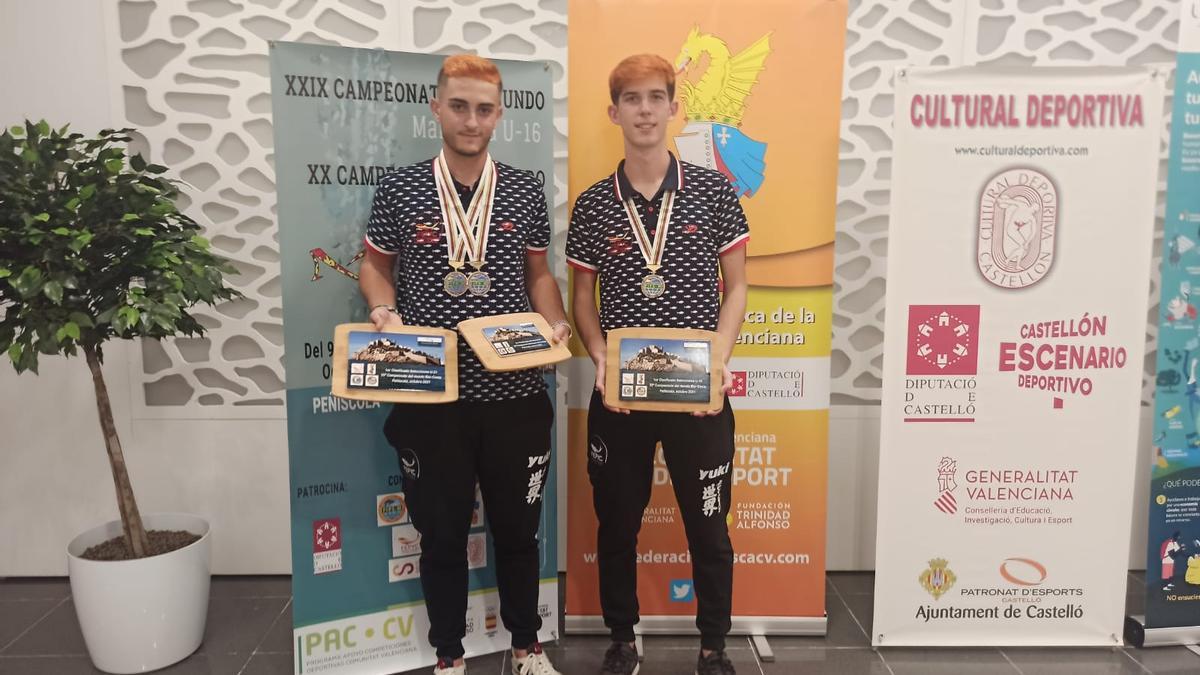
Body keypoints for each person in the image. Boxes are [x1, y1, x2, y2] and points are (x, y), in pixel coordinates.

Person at [359, 53, 568, 675]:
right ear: (436, 107)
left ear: (499, 114)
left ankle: (527, 648)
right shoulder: (400, 187)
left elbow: (539, 276)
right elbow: (375, 265)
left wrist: (554, 324)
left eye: (483, 109)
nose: (471, 120)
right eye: (459, 106)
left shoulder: (526, 188)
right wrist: (383, 312)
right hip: (433, 397)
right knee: (442, 537)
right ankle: (449, 657)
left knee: (518, 535)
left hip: (515, 398)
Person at [566, 53, 749, 675]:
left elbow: (739, 286)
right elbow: (580, 297)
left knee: (709, 525)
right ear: (613, 111)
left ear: (675, 107)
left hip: (699, 389)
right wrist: (597, 356)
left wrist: (719, 358)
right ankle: (622, 637)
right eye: (631, 99)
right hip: (622, 391)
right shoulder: (593, 204)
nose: (644, 110)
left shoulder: (715, 190)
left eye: (655, 98)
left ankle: (714, 646)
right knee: (617, 520)